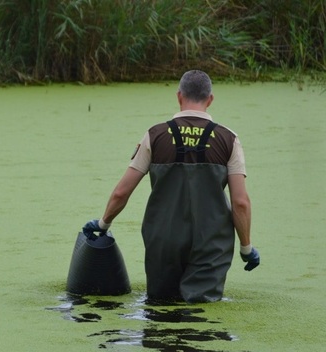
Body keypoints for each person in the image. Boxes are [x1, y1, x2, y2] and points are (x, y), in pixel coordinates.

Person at [82, 70, 260, 303]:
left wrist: (103, 223)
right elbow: (240, 202)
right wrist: (246, 247)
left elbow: (121, 192)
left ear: (179, 96)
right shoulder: (228, 139)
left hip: (162, 241)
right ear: (210, 99)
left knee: (160, 309)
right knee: (201, 319)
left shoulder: (155, 135)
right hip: (211, 244)